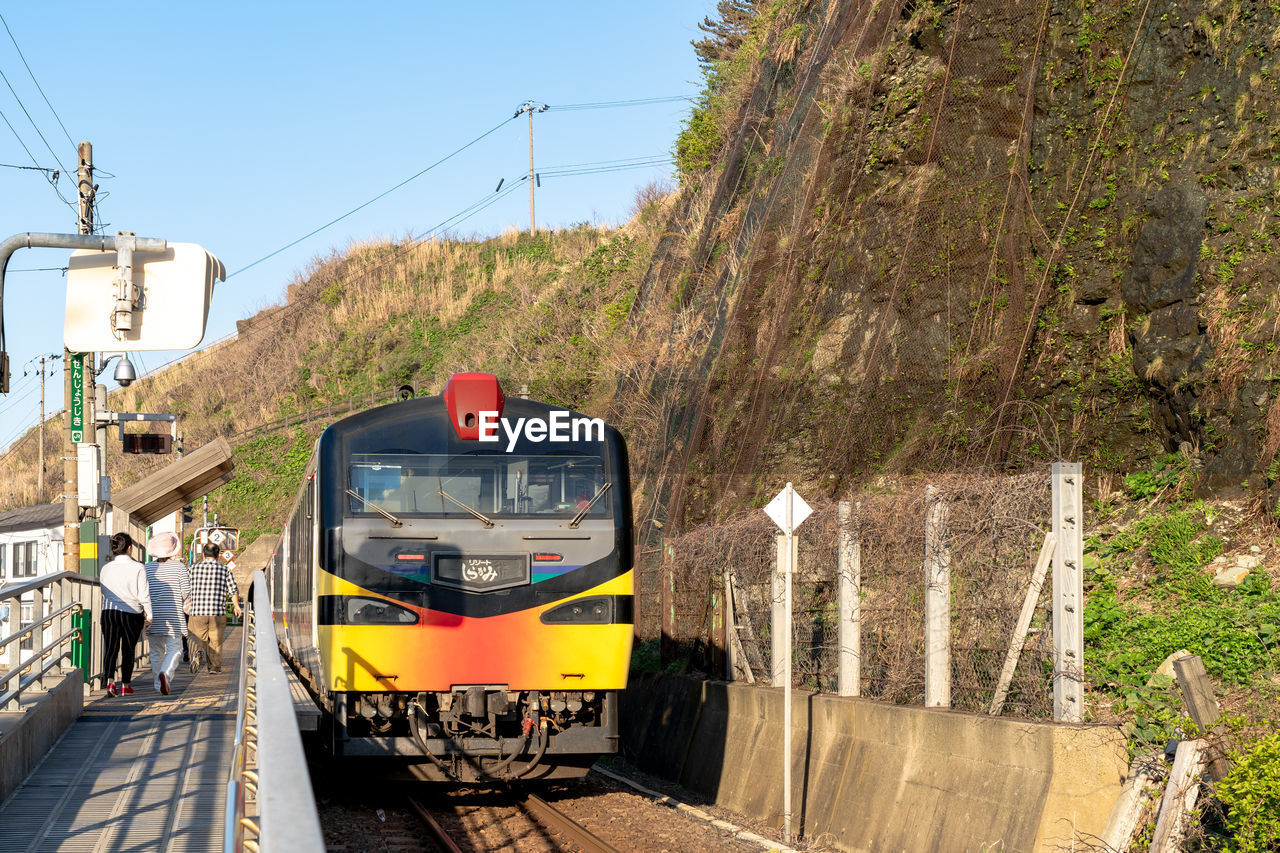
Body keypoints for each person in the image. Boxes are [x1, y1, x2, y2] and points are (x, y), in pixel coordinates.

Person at [99, 532, 152, 696]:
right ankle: (126, 685)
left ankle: (109, 683)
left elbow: (103, 591)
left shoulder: (105, 568)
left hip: (109, 612)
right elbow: (143, 594)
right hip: (131, 613)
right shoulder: (138, 567)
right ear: (129, 548)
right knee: (128, 649)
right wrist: (149, 614)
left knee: (111, 648)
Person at [144, 531, 190, 695]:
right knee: (175, 649)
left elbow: (143, 592)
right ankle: (166, 673)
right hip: (174, 617)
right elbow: (186, 592)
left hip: (153, 617)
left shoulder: (147, 568)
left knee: (156, 652)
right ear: (173, 550)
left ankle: (158, 685)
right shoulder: (179, 567)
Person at [187, 542, 241, 674]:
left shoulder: (192, 569)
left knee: (195, 638)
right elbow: (232, 590)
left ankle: (197, 653)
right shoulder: (225, 570)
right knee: (215, 642)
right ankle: (214, 668)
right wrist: (236, 606)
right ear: (218, 556)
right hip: (217, 612)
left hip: (197, 611)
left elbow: (185, 588)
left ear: (203, 555)